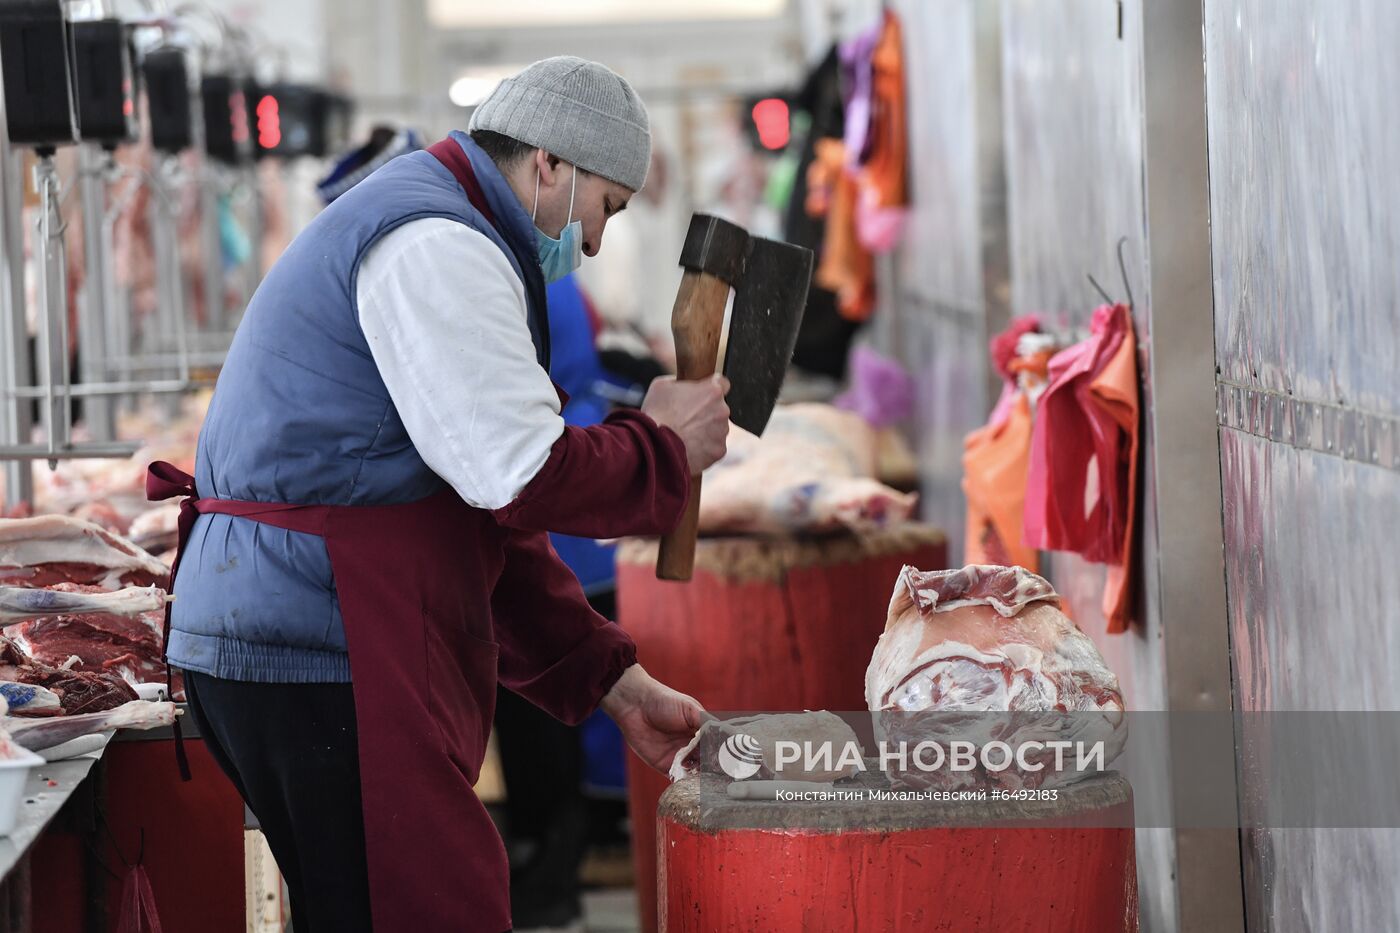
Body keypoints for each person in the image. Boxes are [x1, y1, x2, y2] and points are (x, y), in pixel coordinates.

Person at [150, 57, 728, 933]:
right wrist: (662, 450)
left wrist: (612, 681)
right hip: (319, 640)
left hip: (308, 631)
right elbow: (523, 474)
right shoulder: (437, 239)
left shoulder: (451, 229)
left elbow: (481, 527)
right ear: (550, 165)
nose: (602, 241)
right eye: (608, 206)